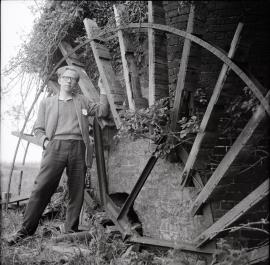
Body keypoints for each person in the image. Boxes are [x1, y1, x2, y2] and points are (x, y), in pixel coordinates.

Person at [6, 66, 109, 245]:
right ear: (60, 80)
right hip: (55, 147)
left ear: (76, 83)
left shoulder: (82, 101)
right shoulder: (47, 103)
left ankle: (70, 232)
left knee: (76, 190)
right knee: (42, 187)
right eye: (67, 78)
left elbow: (103, 111)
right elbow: (38, 129)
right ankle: (25, 231)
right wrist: (46, 142)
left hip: (78, 147)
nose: (70, 81)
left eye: (73, 79)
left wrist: (104, 90)